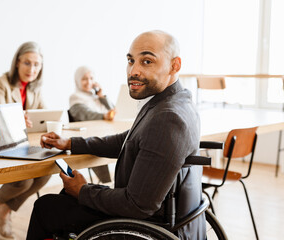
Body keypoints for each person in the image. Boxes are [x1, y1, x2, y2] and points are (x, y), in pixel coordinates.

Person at [26, 30, 205, 240]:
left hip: (145, 225)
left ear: (175, 66)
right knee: (64, 199)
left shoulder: (167, 117)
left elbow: (138, 205)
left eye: (147, 61)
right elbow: (127, 140)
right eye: (131, 61)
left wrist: (83, 190)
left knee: (46, 207)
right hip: (167, 215)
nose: (133, 71)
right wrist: (71, 143)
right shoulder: (175, 101)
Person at [0, 42, 50, 239]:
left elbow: (43, 115)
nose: (31, 69)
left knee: (45, 172)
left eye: (36, 65)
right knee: (24, 179)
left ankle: (2, 208)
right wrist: (18, 119)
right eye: (27, 63)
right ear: (17, 62)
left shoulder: (35, 89)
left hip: (18, 144)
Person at [68, 66, 116, 183]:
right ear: (77, 80)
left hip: (104, 132)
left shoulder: (96, 97)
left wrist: (102, 96)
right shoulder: (75, 97)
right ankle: (107, 183)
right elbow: (86, 115)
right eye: (84, 79)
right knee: (100, 145)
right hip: (89, 138)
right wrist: (104, 116)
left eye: (91, 78)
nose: (89, 82)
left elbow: (114, 111)